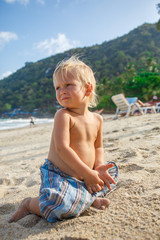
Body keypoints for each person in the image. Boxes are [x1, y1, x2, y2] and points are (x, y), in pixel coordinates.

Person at [9, 56, 118, 223]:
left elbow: (98, 147)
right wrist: (87, 173)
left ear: (88, 89)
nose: (61, 91)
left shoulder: (97, 119)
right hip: (60, 176)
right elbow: (62, 148)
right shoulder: (63, 115)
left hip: (84, 177)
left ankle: (84, 198)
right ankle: (30, 204)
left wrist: (99, 167)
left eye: (68, 85)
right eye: (57, 87)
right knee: (59, 205)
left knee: (112, 175)